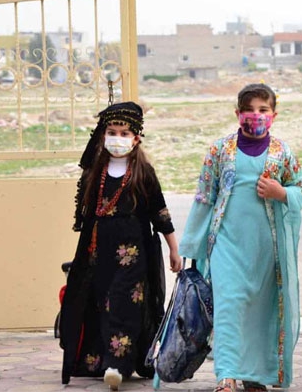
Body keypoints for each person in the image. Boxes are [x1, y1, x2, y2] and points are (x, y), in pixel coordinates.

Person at [180, 83, 302, 392]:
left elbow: (300, 187)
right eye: (249, 110)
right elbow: (204, 197)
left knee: (260, 311)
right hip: (226, 243)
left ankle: (255, 375)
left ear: (274, 114)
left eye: (263, 110)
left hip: (266, 248)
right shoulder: (219, 150)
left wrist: (280, 192)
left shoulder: (282, 152)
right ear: (237, 113)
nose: (256, 115)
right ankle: (226, 375)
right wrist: (191, 245)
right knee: (228, 306)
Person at [59, 101, 182, 391]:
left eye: (124, 134)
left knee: (123, 303)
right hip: (98, 253)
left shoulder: (143, 172)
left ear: (136, 138)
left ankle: (117, 365)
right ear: (103, 135)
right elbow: (88, 215)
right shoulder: (95, 172)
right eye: (112, 132)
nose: (118, 139)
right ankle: (102, 361)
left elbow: (160, 213)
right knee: (100, 303)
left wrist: (174, 250)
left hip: (132, 255)